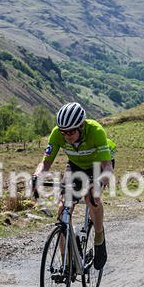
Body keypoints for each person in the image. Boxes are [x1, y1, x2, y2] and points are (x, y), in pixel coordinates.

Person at [33, 102, 115, 270]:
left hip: (98, 165)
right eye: (63, 132)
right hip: (76, 166)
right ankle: (67, 261)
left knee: (92, 198)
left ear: (81, 126)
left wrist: (98, 183)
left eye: (70, 131)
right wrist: (36, 177)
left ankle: (99, 238)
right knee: (62, 209)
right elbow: (45, 164)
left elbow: (107, 168)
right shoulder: (57, 134)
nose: (67, 136)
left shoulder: (96, 131)